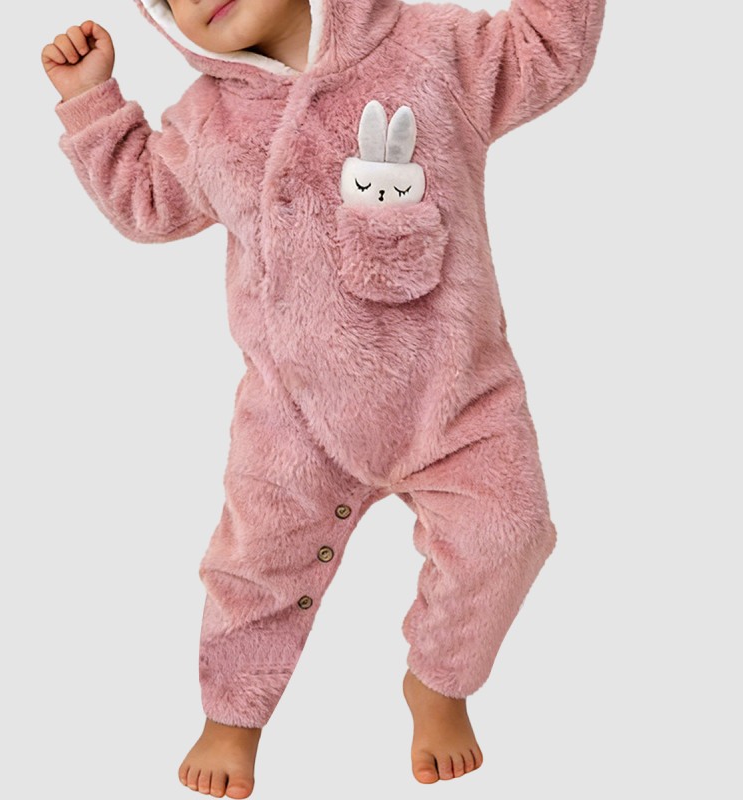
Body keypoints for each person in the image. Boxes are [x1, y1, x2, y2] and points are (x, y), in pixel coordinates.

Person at [41, 1, 605, 796]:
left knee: (508, 536)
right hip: (292, 415)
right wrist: (92, 100)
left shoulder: (430, 48)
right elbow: (148, 204)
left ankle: (440, 682)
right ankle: (231, 717)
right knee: (253, 566)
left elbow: (548, 49)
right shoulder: (207, 121)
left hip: (456, 397)